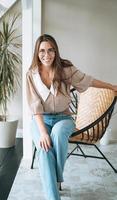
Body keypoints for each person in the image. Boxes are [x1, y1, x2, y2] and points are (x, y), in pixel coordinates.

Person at [26, 34, 117, 200]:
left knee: (59, 134)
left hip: (64, 118)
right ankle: (54, 195)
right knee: (45, 148)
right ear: (37, 53)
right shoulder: (32, 75)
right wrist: (43, 132)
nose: (47, 55)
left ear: (56, 51)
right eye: (42, 51)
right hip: (40, 120)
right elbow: (34, 106)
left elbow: (87, 80)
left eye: (51, 50)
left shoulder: (65, 69)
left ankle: (55, 179)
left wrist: (111, 86)